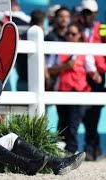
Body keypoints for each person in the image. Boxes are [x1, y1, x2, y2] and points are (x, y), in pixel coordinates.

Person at [47, 23, 101, 155]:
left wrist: (97, 76)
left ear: (79, 36)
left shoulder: (84, 51)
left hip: (79, 92)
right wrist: (66, 66)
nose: (70, 36)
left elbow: (92, 71)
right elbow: (50, 69)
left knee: (73, 124)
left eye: (73, 34)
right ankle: (65, 152)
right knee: (63, 124)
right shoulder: (59, 50)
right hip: (62, 91)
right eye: (68, 34)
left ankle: (72, 151)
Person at [79, 0, 106, 161]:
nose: (87, 16)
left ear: (95, 14)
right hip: (82, 75)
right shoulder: (77, 28)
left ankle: (93, 147)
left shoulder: (102, 28)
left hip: (98, 77)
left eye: (90, 13)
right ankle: (92, 147)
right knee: (83, 113)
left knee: (94, 114)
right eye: (85, 12)